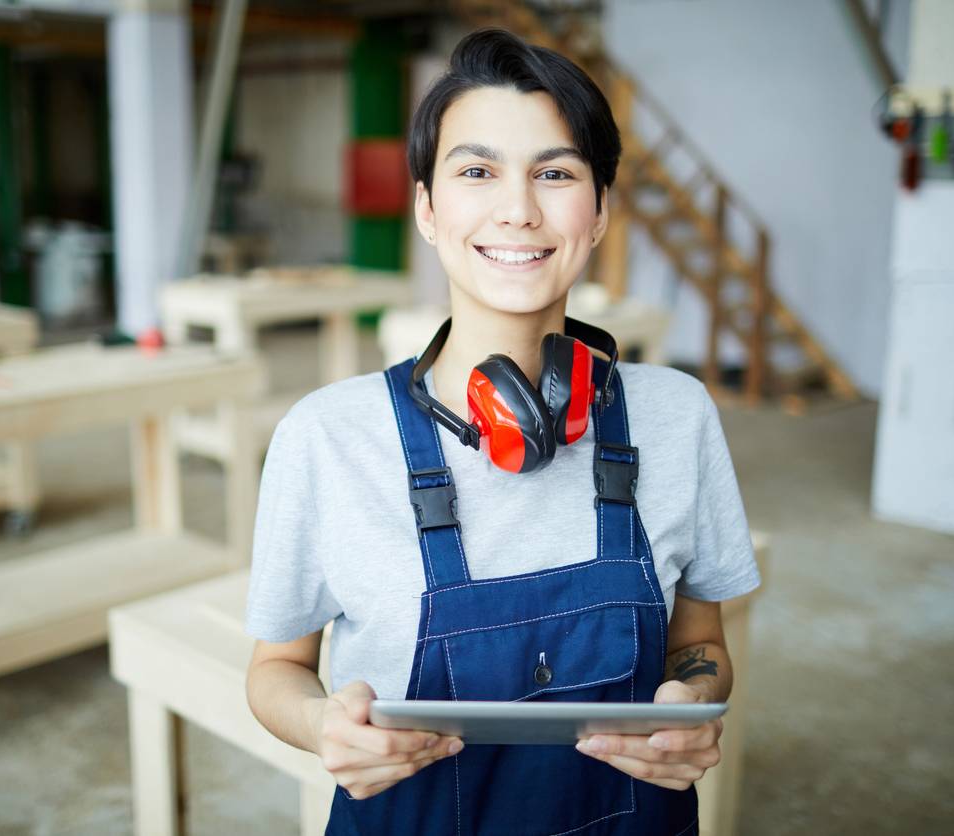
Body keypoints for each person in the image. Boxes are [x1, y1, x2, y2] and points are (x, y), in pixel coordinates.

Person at [244, 28, 760, 835]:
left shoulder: (677, 415)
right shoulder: (327, 438)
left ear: (598, 215)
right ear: (427, 207)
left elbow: (700, 638)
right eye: (477, 171)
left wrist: (694, 703)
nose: (518, 209)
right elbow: (277, 670)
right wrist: (321, 727)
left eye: (555, 173)